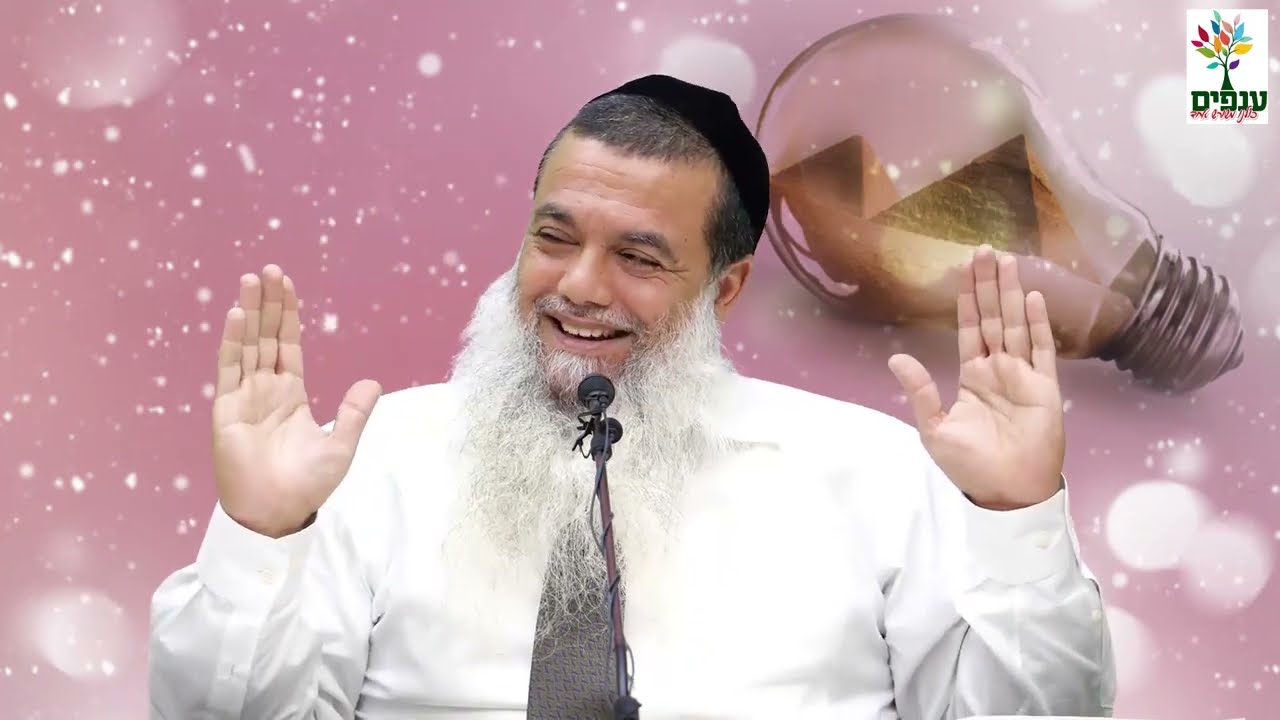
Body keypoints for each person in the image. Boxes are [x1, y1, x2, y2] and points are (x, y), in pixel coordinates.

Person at [148, 74, 1116, 719]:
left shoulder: (872, 473)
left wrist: (1016, 518)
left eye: (639, 258)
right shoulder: (370, 457)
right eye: (554, 237)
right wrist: (261, 537)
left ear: (724, 289)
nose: (579, 286)